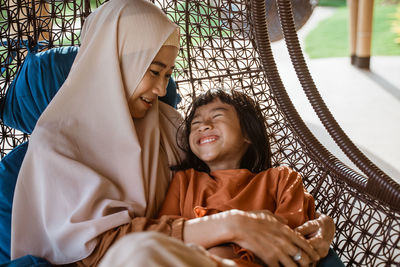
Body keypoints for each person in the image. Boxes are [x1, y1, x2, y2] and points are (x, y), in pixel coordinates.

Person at [10, 0, 337, 266]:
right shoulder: (57, 144)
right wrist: (229, 224)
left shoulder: (166, 125)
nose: (161, 89)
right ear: (112, 62)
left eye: (167, 74)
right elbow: (93, 251)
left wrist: (319, 223)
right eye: (153, 72)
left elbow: (239, 180)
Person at [157, 89, 338, 267]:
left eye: (217, 116)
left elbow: (291, 239)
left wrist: (225, 252)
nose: (203, 125)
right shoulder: (184, 181)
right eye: (195, 123)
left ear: (248, 133)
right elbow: (166, 235)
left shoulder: (281, 179)